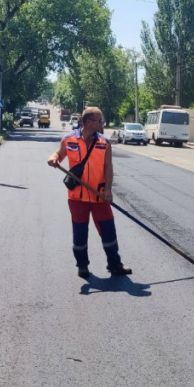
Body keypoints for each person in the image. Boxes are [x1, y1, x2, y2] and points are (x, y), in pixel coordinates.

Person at [47, 107, 132, 278]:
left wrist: (108, 190)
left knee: (108, 232)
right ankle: (82, 266)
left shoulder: (104, 143)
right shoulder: (69, 139)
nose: (102, 123)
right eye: (100, 121)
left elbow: (108, 168)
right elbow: (58, 154)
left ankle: (114, 264)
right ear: (88, 122)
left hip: (99, 196)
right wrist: (53, 158)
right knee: (80, 233)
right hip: (77, 198)